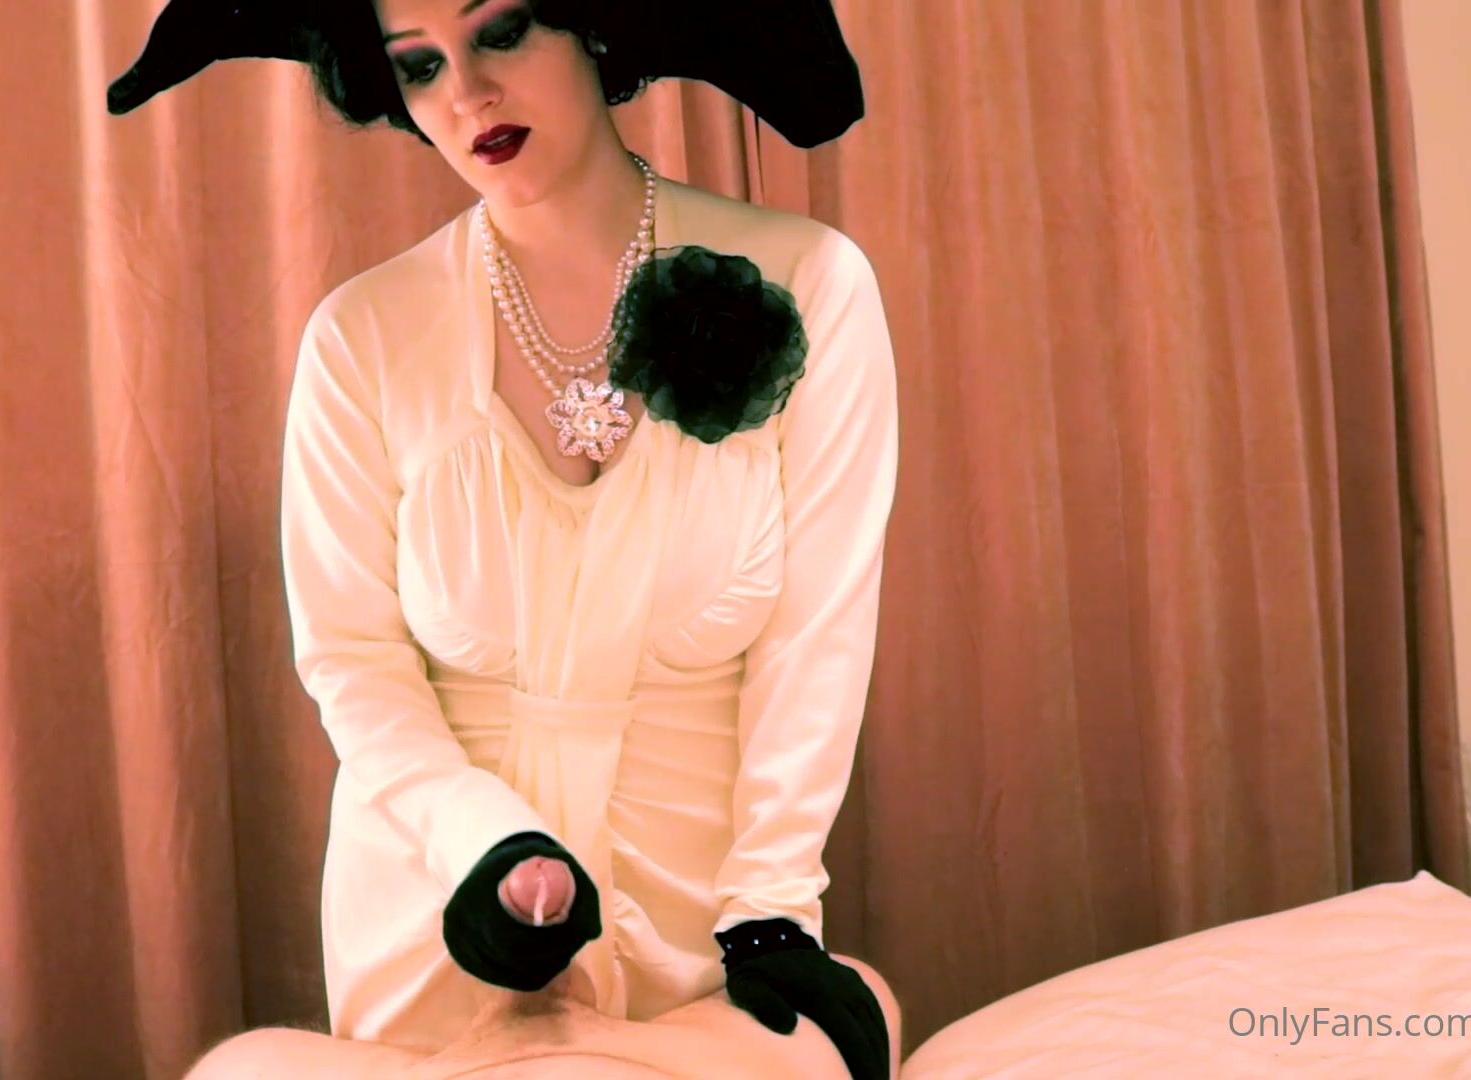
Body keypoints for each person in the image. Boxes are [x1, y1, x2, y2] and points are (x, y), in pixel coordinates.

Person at [109, 1, 901, 1076]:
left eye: (503, 30)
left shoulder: (811, 282)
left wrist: (770, 906)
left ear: (597, 23)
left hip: (708, 927)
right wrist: (487, 847)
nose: (466, 94)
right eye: (419, 65)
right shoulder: (361, 337)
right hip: (447, 902)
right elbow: (352, 662)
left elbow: (819, 639)